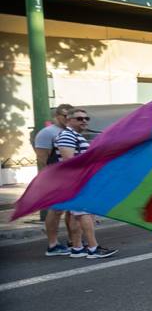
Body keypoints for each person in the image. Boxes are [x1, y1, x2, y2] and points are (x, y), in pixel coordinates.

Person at [53, 109, 118, 259]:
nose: (84, 121)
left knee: (76, 215)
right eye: (79, 118)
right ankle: (93, 249)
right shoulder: (67, 135)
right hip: (76, 181)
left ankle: (77, 248)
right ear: (69, 120)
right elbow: (69, 161)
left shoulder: (75, 135)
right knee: (84, 213)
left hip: (78, 180)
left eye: (86, 118)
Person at [34, 103, 74, 256]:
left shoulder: (71, 131)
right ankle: (53, 244)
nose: (68, 118)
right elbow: (42, 159)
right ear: (57, 116)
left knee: (72, 210)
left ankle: (73, 241)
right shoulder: (47, 133)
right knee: (56, 211)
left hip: (71, 178)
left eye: (71, 116)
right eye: (65, 116)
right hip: (56, 178)